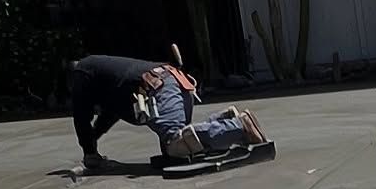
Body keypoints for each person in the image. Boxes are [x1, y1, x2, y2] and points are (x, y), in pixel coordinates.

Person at [67, 52, 268, 170]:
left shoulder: (81, 73)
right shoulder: (100, 74)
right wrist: (94, 140)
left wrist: (89, 152)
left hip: (159, 90)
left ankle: (238, 128)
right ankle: (226, 119)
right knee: (177, 150)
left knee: (177, 144)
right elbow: (110, 114)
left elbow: (81, 116)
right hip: (175, 83)